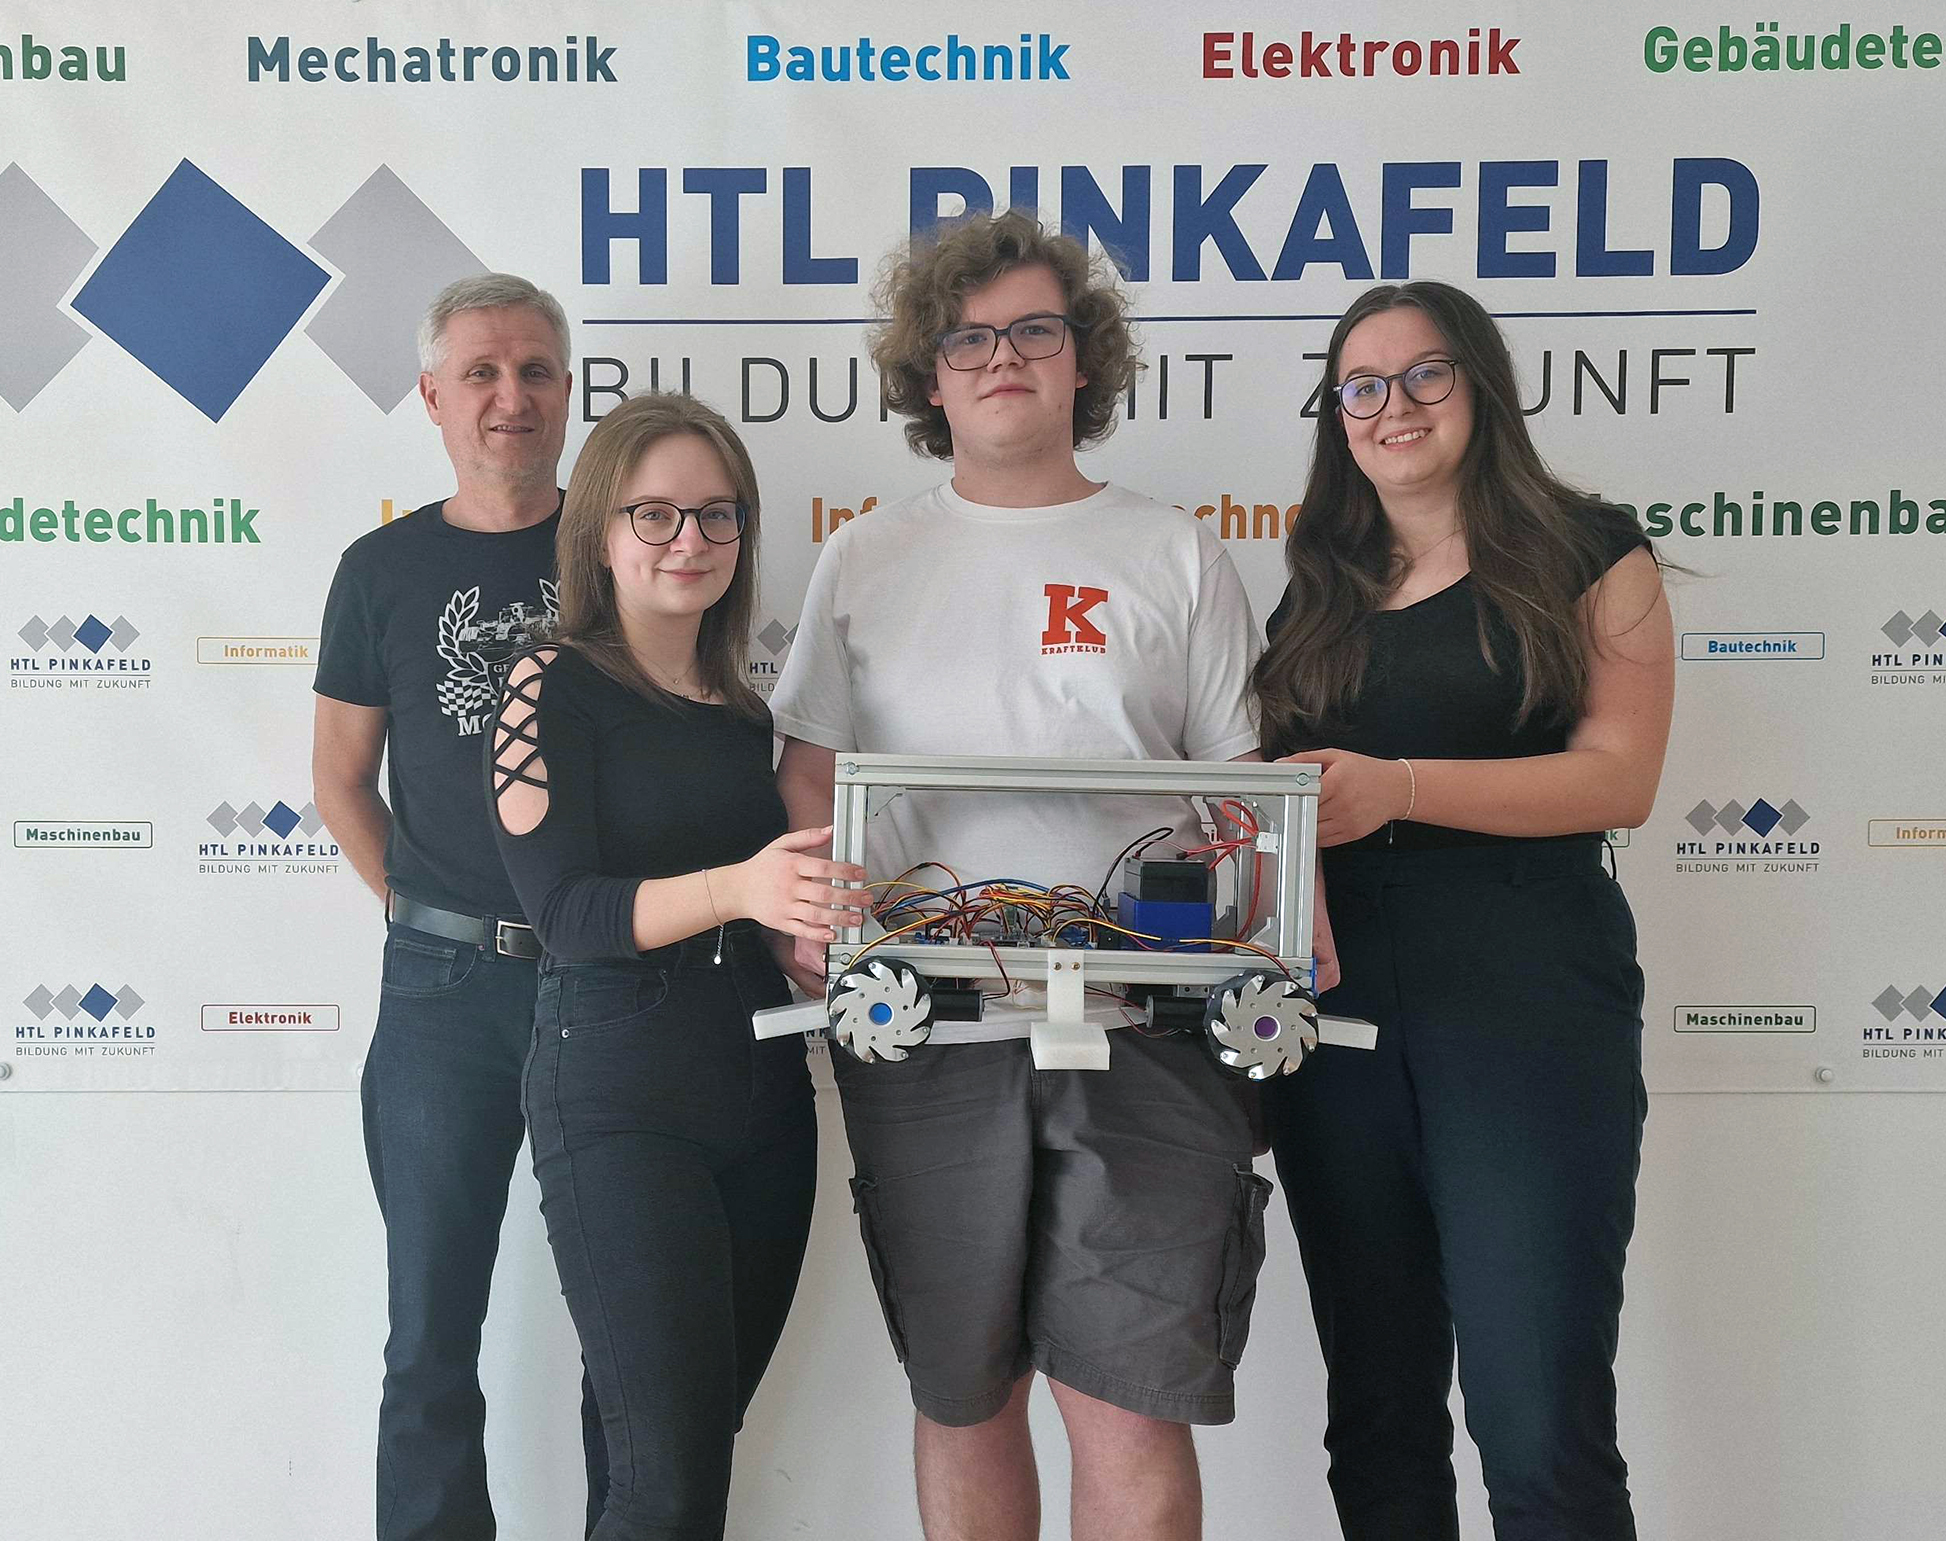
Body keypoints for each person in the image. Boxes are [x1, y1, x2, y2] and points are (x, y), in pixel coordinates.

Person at [771, 211, 1267, 1541]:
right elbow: (811, 776)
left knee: (1131, 1406)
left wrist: (1266, 934)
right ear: (928, 377)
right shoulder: (866, 557)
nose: (1002, 358)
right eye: (968, 339)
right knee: (964, 1397)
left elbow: (1242, 796)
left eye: (1034, 330)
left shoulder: (1174, 551)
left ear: (1081, 359)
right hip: (931, 1033)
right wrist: (817, 930)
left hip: (1147, 1031)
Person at [1252, 279, 1674, 1541]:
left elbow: (1620, 779)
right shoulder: (1314, 591)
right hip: (1335, 1027)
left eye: (1422, 373)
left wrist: (1397, 787)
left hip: (1524, 1008)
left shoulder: (1588, 552)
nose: (1391, 406)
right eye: (1359, 386)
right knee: (1377, 1420)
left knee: (1537, 1423)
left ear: (1480, 385)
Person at [487, 392, 864, 1541]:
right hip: (618, 1094)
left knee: (662, 1467)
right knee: (669, 1487)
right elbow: (565, 911)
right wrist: (743, 887)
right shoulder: (545, 681)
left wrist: (805, 931)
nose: (688, 539)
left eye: (715, 514)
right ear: (599, 531)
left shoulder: (746, 712)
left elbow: (769, 903)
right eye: (654, 513)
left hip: (763, 1092)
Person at [312, 272, 609, 1539]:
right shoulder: (380, 569)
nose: (510, 395)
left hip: (610, 982)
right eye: (480, 372)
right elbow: (339, 778)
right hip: (442, 996)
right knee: (428, 1334)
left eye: (534, 370)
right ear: (432, 395)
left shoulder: (625, 549)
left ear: (568, 391)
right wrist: (426, 909)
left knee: (629, 1333)